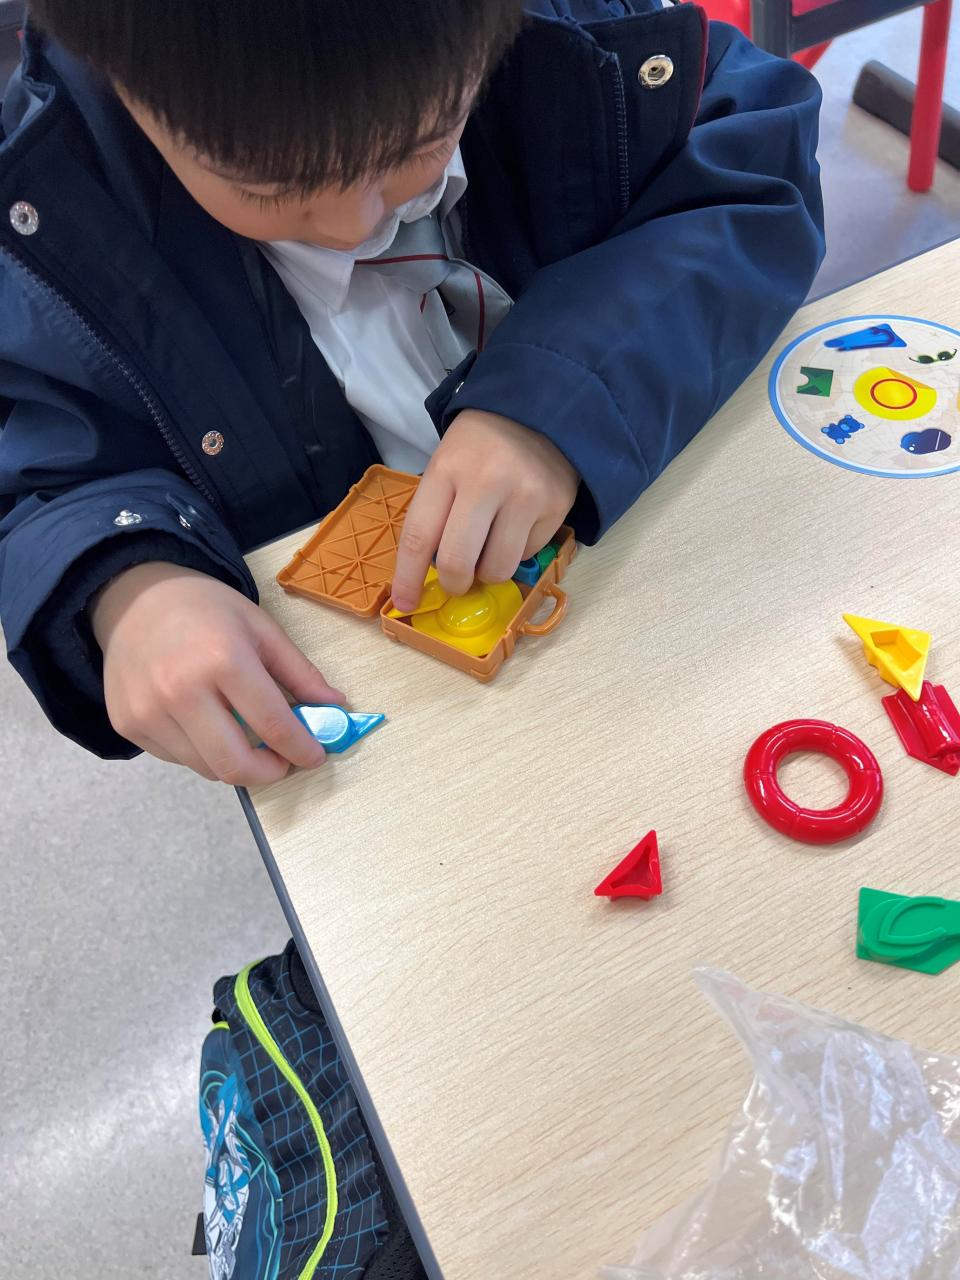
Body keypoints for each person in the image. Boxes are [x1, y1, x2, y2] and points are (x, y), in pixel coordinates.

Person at [0, 0, 824, 788]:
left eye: (421, 141)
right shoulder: (48, 217)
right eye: (266, 185)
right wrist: (127, 587)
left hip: (672, 594)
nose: (355, 223)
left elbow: (754, 173)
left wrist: (560, 399)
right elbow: (42, 472)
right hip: (398, 714)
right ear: (122, 83)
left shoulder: (577, 34)